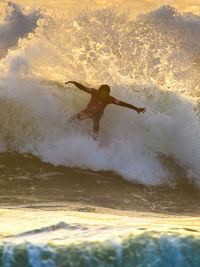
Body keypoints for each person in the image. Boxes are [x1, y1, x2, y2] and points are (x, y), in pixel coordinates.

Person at [65, 81, 146, 139]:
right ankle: (66, 128)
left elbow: (123, 104)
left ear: (108, 94)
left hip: (98, 114)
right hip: (87, 111)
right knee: (73, 118)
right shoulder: (94, 91)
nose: (103, 95)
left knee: (96, 122)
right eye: (102, 93)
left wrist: (136, 108)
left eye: (105, 94)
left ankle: (94, 139)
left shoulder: (109, 99)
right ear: (99, 91)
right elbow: (83, 88)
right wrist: (74, 82)